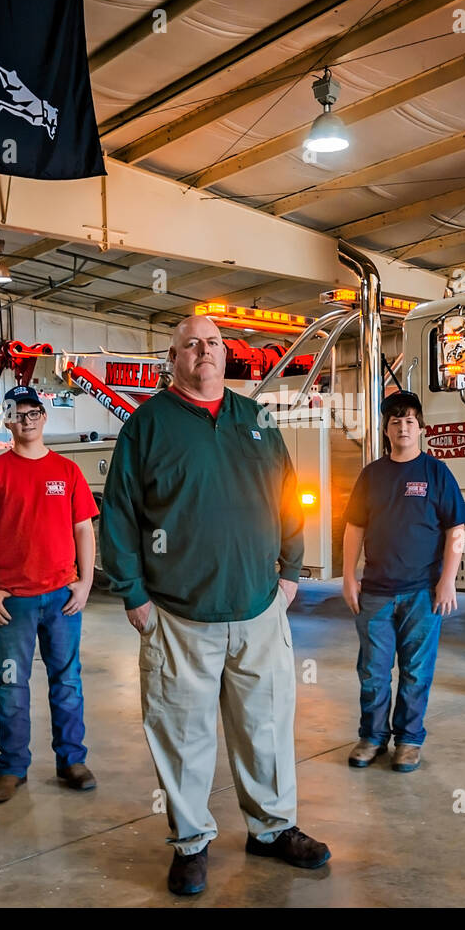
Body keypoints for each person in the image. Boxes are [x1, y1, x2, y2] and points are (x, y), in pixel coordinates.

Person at [99, 314, 330, 897]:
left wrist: (290, 574)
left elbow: (288, 495)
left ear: (226, 355)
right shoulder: (147, 427)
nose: (203, 351)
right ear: (173, 359)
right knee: (182, 733)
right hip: (178, 615)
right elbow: (121, 514)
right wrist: (133, 594)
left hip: (257, 606)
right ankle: (192, 842)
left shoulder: (256, 419)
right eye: (191, 345)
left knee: (267, 727)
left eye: (213, 343)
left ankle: (272, 830)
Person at [0, 385, 98, 805]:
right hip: (12, 603)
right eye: (18, 412)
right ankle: (12, 768)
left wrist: (85, 581)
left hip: (61, 598)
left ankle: (71, 761)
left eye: (34, 410)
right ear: (7, 420)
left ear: (44, 416)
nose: (27, 418)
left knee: (67, 682)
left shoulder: (67, 471)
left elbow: (83, 529)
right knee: (11, 686)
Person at [342, 391, 465, 773]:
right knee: (373, 671)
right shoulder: (372, 474)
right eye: (395, 421)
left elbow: (456, 530)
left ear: (421, 428)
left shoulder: (436, 473)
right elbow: (354, 527)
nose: (403, 427)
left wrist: (448, 580)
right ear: (386, 429)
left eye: (410, 420)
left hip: (422, 593)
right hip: (376, 592)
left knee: (416, 671)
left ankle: (409, 740)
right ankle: (372, 736)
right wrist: (348, 576)